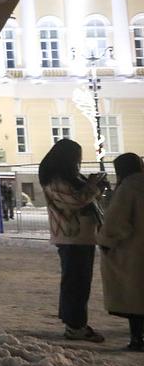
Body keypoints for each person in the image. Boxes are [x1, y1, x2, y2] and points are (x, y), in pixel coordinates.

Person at [40, 139, 106, 342]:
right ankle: (75, 326)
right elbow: (76, 200)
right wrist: (93, 186)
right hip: (71, 236)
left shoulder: (67, 177)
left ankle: (76, 323)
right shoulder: (56, 179)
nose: (79, 161)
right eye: (77, 157)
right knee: (76, 282)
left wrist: (92, 185)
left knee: (78, 282)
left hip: (80, 236)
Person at [98, 153, 144, 352]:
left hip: (132, 252)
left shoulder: (128, 188)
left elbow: (117, 221)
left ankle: (137, 339)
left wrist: (106, 242)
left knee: (134, 297)